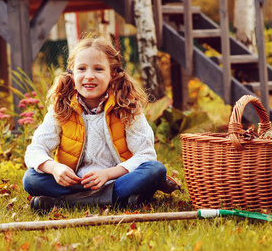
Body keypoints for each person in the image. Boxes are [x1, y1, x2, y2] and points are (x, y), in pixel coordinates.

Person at [23, 34, 180, 212]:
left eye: (98, 69)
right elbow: (34, 151)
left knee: (155, 170)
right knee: (31, 178)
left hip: (116, 181)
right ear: (72, 73)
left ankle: (65, 203)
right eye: (82, 69)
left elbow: (146, 155)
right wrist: (55, 168)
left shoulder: (128, 107)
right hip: (74, 183)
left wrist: (107, 174)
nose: (89, 76)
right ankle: (117, 200)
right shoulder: (61, 108)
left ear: (112, 74)